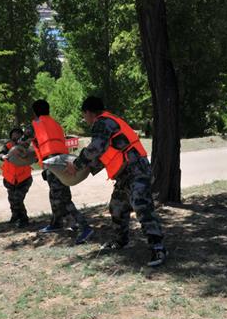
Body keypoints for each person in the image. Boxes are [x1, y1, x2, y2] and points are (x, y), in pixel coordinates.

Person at [65, 96, 167, 266]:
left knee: (142, 207)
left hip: (136, 171)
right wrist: (87, 167)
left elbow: (96, 148)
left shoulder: (102, 122)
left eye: (84, 115)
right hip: (125, 174)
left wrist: (76, 165)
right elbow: (105, 154)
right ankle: (121, 241)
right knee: (117, 208)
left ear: (89, 112)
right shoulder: (108, 121)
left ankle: (158, 248)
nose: (85, 119)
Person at [20, 99, 92, 244]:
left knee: (62, 197)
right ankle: (56, 222)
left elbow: (23, 141)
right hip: (63, 160)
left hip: (53, 162)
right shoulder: (56, 124)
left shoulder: (35, 124)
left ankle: (84, 227)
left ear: (35, 112)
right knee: (55, 194)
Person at [0, 128, 33, 227]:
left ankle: (24, 219)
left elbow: (34, 157)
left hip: (24, 179)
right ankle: (15, 217)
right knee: (12, 199)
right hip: (10, 179)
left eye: (18, 139)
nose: (15, 141)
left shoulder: (27, 147)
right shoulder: (7, 146)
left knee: (18, 199)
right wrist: (3, 156)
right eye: (13, 139)